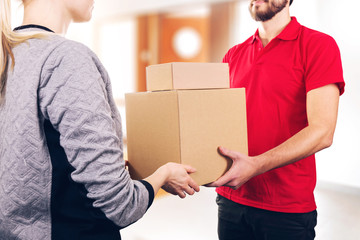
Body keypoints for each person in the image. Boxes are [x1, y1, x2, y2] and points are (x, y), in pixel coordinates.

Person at [0, 0, 200, 239]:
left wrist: (106, 169)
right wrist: (164, 174)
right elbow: (120, 205)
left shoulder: (9, 56)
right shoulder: (66, 58)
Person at [207, 0, 345, 239]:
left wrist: (255, 165)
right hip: (231, 200)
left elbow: (322, 132)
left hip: (286, 209)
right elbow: (218, 123)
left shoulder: (318, 45)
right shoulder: (233, 54)